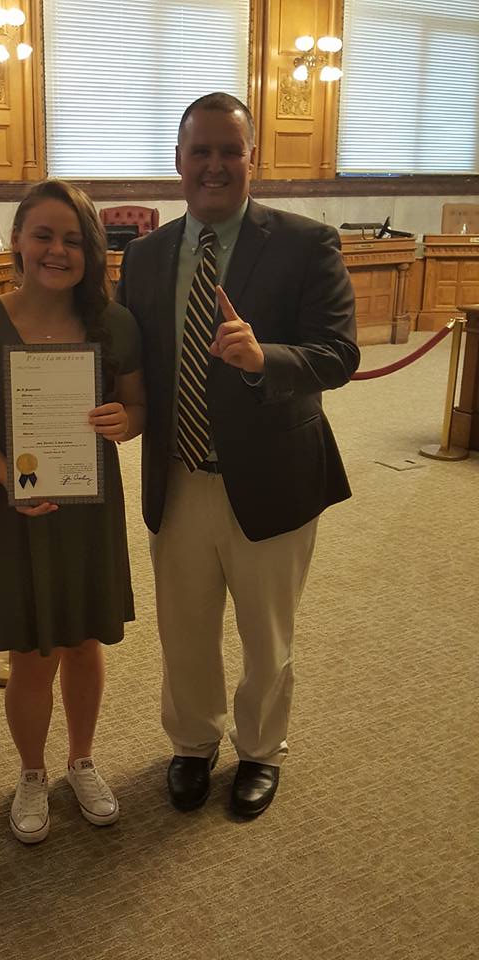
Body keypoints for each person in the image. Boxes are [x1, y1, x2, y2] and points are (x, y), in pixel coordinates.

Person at [116, 93, 359, 819]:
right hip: (179, 475)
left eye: (230, 151)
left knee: (266, 633)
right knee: (184, 629)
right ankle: (193, 743)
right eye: (201, 151)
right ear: (178, 162)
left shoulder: (306, 243)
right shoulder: (146, 254)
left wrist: (264, 359)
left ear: (254, 159)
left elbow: (339, 354)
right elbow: (136, 365)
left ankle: (259, 751)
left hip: (274, 478)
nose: (215, 165)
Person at [0, 179, 144, 844]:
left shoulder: (113, 324)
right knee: (33, 651)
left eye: (74, 239)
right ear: (16, 240)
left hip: (91, 509)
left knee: (85, 643)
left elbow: (138, 409)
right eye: (44, 234)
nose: (58, 250)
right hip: (22, 508)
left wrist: (125, 421)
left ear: (91, 251)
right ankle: (32, 772)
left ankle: (81, 760)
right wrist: (11, 479)